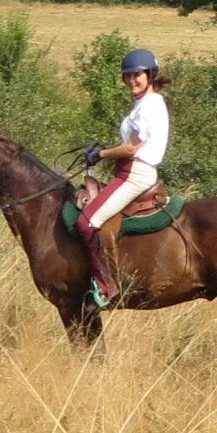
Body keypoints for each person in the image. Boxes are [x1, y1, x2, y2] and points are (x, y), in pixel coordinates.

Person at [77, 47, 170, 307]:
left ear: (150, 75)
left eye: (137, 75)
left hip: (135, 173)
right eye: (127, 77)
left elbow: (131, 148)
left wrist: (101, 153)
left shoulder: (150, 104)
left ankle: (106, 286)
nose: (132, 81)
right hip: (128, 170)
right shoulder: (144, 103)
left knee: (86, 222)